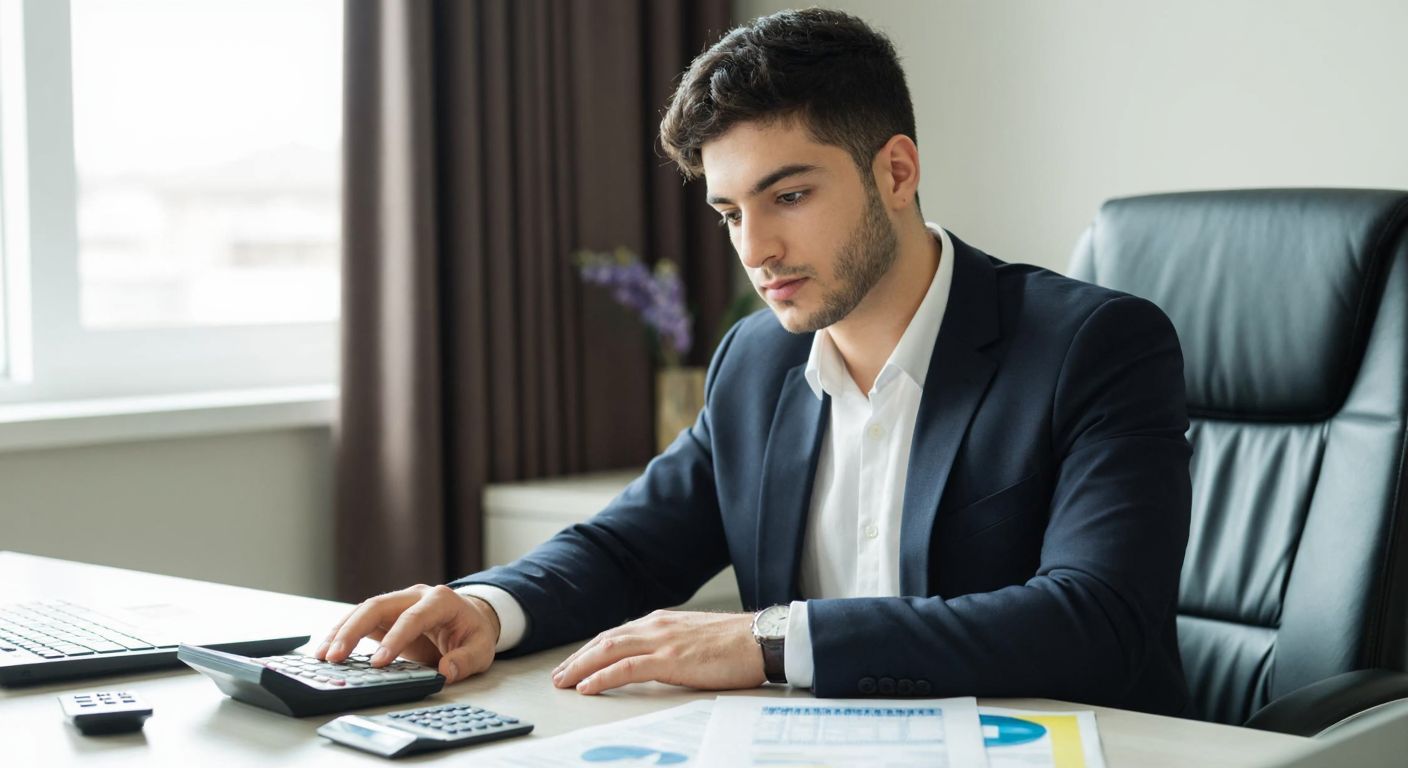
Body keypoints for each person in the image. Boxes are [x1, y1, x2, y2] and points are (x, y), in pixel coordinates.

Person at [318, 8, 1193, 716]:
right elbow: (629, 549)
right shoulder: (755, 360)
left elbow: (1097, 619)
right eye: (730, 211)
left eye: (791, 195)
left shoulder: (1095, 345)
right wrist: (485, 605)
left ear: (896, 172)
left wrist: (767, 640)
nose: (757, 247)